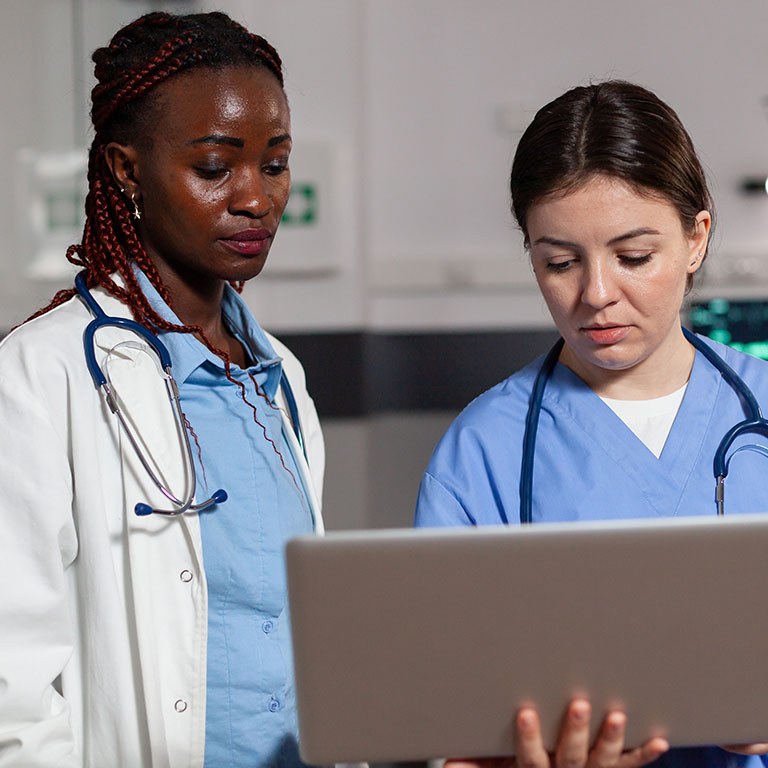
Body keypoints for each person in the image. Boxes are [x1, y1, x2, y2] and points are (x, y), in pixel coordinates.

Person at [0, 11, 329, 767]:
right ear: (125, 168)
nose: (255, 198)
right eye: (215, 168)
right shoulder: (43, 375)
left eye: (274, 164)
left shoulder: (278, 379)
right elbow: (12, 691)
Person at [415, 81, 768, 768]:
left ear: (696, 239)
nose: (596, 294)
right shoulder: (483, 450)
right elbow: (447, 719)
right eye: (559, 262)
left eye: (634, 257)